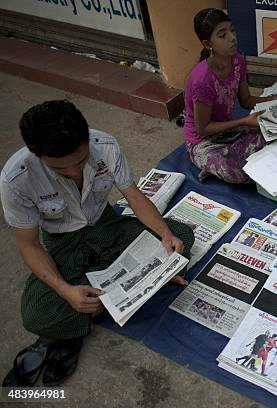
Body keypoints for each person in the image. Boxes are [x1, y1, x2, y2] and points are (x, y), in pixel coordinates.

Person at [0, 100, 195, 387]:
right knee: (36, 314)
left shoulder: (105, 145)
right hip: (62, 243)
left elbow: (135, 197)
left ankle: (95, 303)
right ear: (37, 155)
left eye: (79, 161)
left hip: (107, 225)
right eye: (59, 169)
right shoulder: (16, 178)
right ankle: (80, 321)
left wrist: (165, 233)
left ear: (86, 138)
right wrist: (65, 290)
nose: (73, 172)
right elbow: (29, 246)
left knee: (182, 238)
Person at [184, 8, 277, 184]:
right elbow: (203, 128)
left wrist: (274, 99)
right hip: (203, 141)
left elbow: (246, 100)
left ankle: (219, 163)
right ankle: (215, 163)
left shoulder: (238, 60)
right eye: (222, 35)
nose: (232, 37)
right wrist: (243, 122)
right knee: (240, 173)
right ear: (207, 44)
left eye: (232, 30)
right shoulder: (202, 80)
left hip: (228, 130)